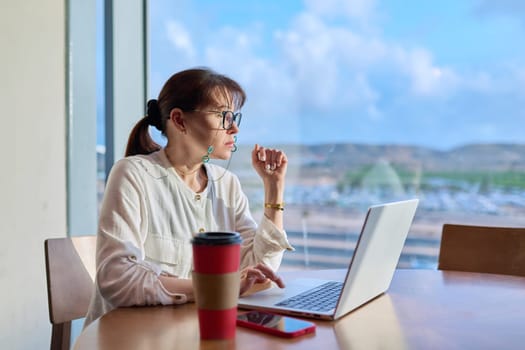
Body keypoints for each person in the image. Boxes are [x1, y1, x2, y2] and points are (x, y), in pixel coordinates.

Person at [84, 67, 293, 327]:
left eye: (235, 117)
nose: (235, 128)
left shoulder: (227, 184)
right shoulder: (133, 174)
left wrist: (274, 188)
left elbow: (259, 273)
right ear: (179, 120)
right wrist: (218, 288)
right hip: (129, 338)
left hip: (191, 334)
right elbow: (117, 278)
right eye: (224, 117)